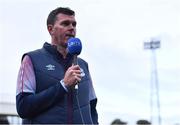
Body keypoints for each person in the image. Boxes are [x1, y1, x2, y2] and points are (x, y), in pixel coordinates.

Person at [16, 7, 98, 124]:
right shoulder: (31, 59)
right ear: (50, 29)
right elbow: (23, 107)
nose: (71, 28)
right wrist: (63, 85)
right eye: (65, 24)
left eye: (74, 24)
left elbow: (92, 108)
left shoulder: (83, 65)